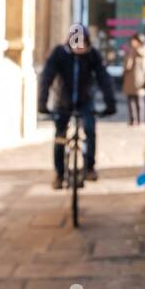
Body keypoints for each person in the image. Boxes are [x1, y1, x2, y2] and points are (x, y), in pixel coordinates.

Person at [38, 23, 117, 188]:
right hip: (62, 102)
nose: (80, 49)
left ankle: (89, 167)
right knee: (60, 136)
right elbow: (47, 77)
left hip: (85, 101)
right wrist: (42, 103)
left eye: (84, 44)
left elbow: (103, 77)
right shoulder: (59, 53)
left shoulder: (92, 55)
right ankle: (59, 174)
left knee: (90, 129)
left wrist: (110, 103)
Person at [122, 34, 145, 126]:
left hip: (136, 79)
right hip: (134, 79)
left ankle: (136, 120)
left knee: (136, 100)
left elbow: (128, 65)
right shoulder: (140, 51)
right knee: (134, 100)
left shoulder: (137, 51)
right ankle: (135, 120)